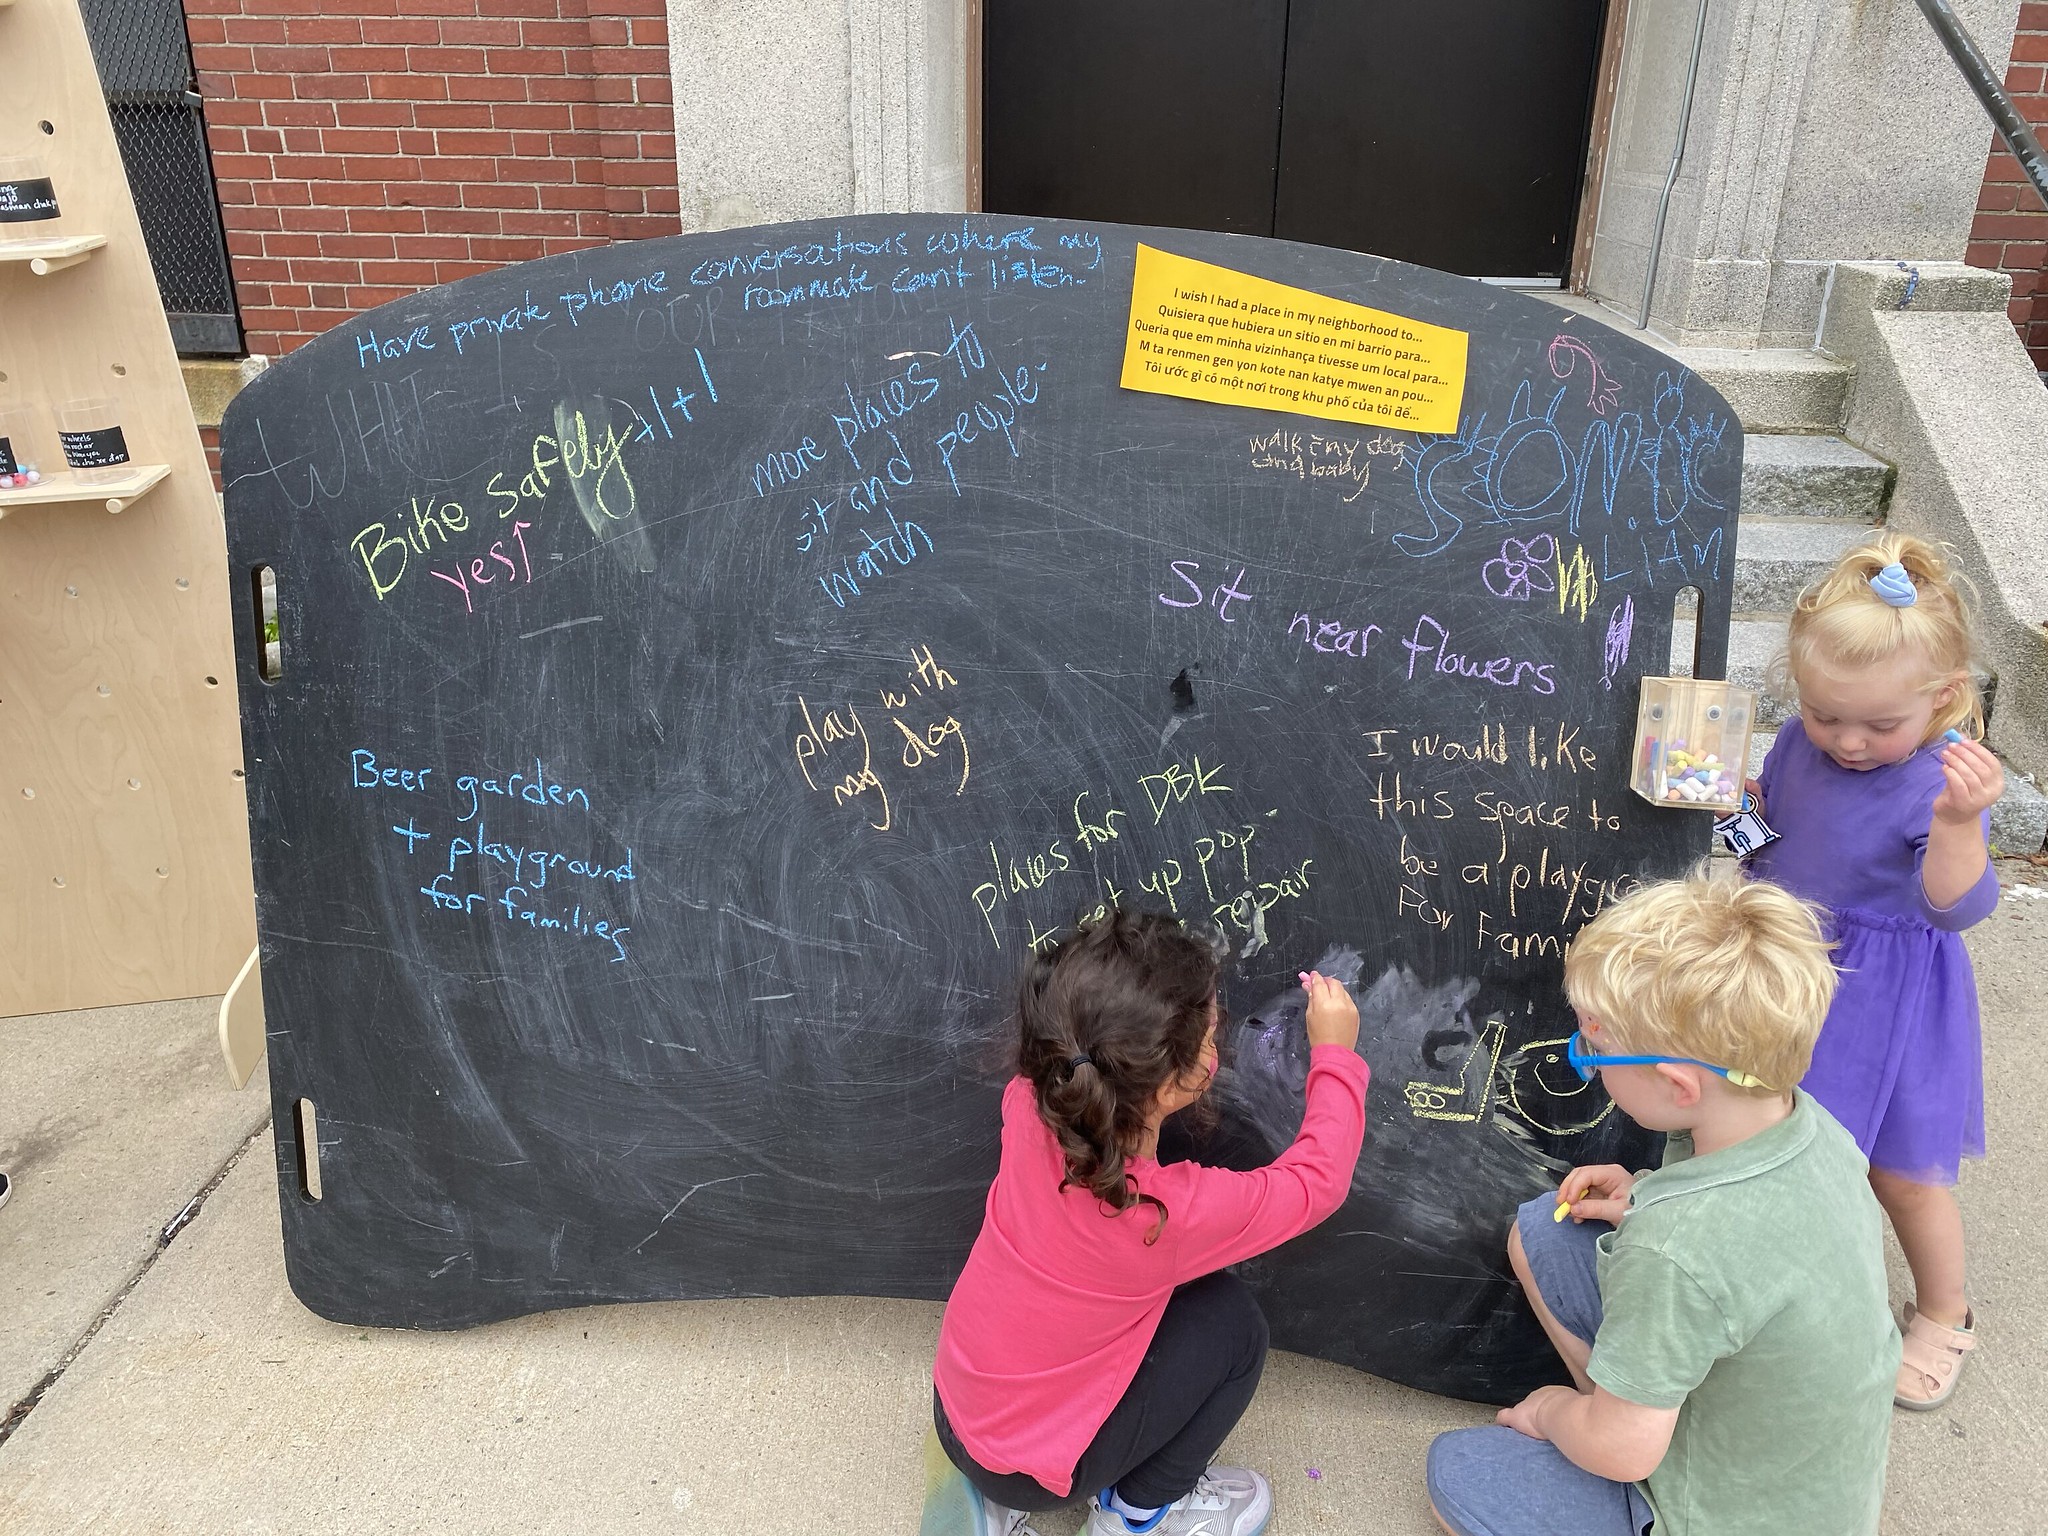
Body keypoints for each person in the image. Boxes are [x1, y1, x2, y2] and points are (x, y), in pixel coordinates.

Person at [1426, 874, 1899, 1536]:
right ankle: (1629, 1398)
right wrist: (1646, 1197)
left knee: (1462, 1472)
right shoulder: (1815, 1129)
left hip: (1716, 1510)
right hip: (1807, 1486)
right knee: (1544, 1228)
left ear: (1677, 1086)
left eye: (1595, 1047)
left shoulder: (1675, 1248)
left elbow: (1623, 1454)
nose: (1585, 1056)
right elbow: (1757, 1244)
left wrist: (1553, 1412)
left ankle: (1620, 1415)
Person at [931, 909, 1369, 1536]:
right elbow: (1316, 1184)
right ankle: (1137, 1513)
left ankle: (996, 1501)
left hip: (958, 1410)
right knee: (1236, 1330)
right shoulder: (1165, 1218)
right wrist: (1336, 1056)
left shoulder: (1027, 1104)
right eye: (1212, 1038)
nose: (1219, 1046)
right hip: (1040, 1467)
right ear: (1170, 1087)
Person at [1745, 532, 2001, 1409]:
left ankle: (1943, 1310)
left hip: (1887, 997)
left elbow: (1956, 907)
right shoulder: (1796, 743)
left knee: (1901, 1170)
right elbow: (1771, 842)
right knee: (1777, 1141)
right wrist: (1743, 814)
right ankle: (1784, 1285)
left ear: (1945, 698)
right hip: (1790, 973)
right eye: (1825, 714)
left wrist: (1963, 823)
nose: (1847, 741)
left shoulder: (1941, 783)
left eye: (1879, 725)